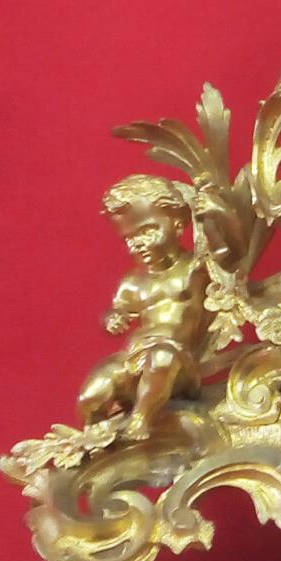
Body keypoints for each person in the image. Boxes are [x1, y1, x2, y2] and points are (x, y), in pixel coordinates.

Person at [76, 175, 209, 439]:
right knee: (92, 392)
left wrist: (204, 207)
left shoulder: (194, 270)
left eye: (148, 231)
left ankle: (140, 421)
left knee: (161, 358)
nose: (139, 243)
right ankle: (95, 433)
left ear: (177, 224)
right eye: (130, 238)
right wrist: (112, 318)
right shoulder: (133, 282)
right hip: (134, 360)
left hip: (178, 364)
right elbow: (116, 311)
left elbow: (220, 249)